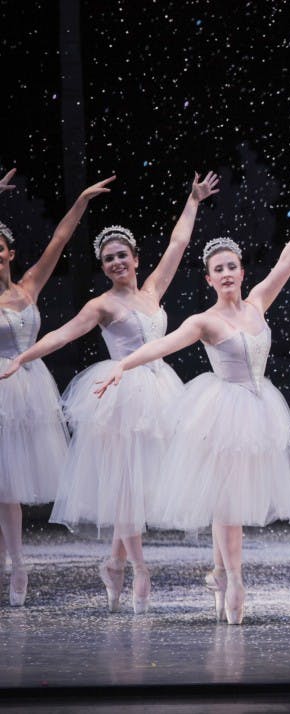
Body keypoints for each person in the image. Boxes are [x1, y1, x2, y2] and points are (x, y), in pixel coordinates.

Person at [94, 193, 290, 625]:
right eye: (218, 269)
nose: (227, 273)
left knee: (232, 502)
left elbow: (287, 260)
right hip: (222, 414)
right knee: (227, 506)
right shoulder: (203, 321)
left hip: (259, 413)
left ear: (242, 272)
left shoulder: (258, 303)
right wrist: (124, 363)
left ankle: (217, 572)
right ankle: (234, 581)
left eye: (232, 266)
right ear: (209, 279)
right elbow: (161, 344)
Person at [1, 172, 219, 613]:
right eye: (107, 259)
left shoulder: (154, 288)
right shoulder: (100, 305)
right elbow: (61, 335)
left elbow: (177, 244)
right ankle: (139, 569)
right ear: (103, 267)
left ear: (136, 259)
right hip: (119, 397)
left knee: (141, 488)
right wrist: (21, 360)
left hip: (158, 393)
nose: (116, 263)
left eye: (121, 256)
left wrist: (193, 201)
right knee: (126, 489)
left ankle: (114, 563)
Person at [0, 170, 115, 606]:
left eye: (0, 249)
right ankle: (13, 564)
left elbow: (60, 241)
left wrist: (82, 200)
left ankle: (17, 565)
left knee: (9, 487)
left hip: (28, 391)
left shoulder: (29, 285)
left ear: (9, 252)